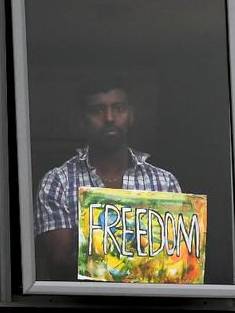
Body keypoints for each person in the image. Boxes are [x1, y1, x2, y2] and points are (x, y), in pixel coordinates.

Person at [34, 79, 182, 280]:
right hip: (82, 308)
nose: (110, 118)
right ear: (81, 120)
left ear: (131, 115)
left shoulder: (165, 183)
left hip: (151, 309)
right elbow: (59, 262)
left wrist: (103, 256)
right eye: (97, 110)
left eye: (118, 108)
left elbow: (177, 265)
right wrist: (141, 260)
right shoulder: (58, 182)